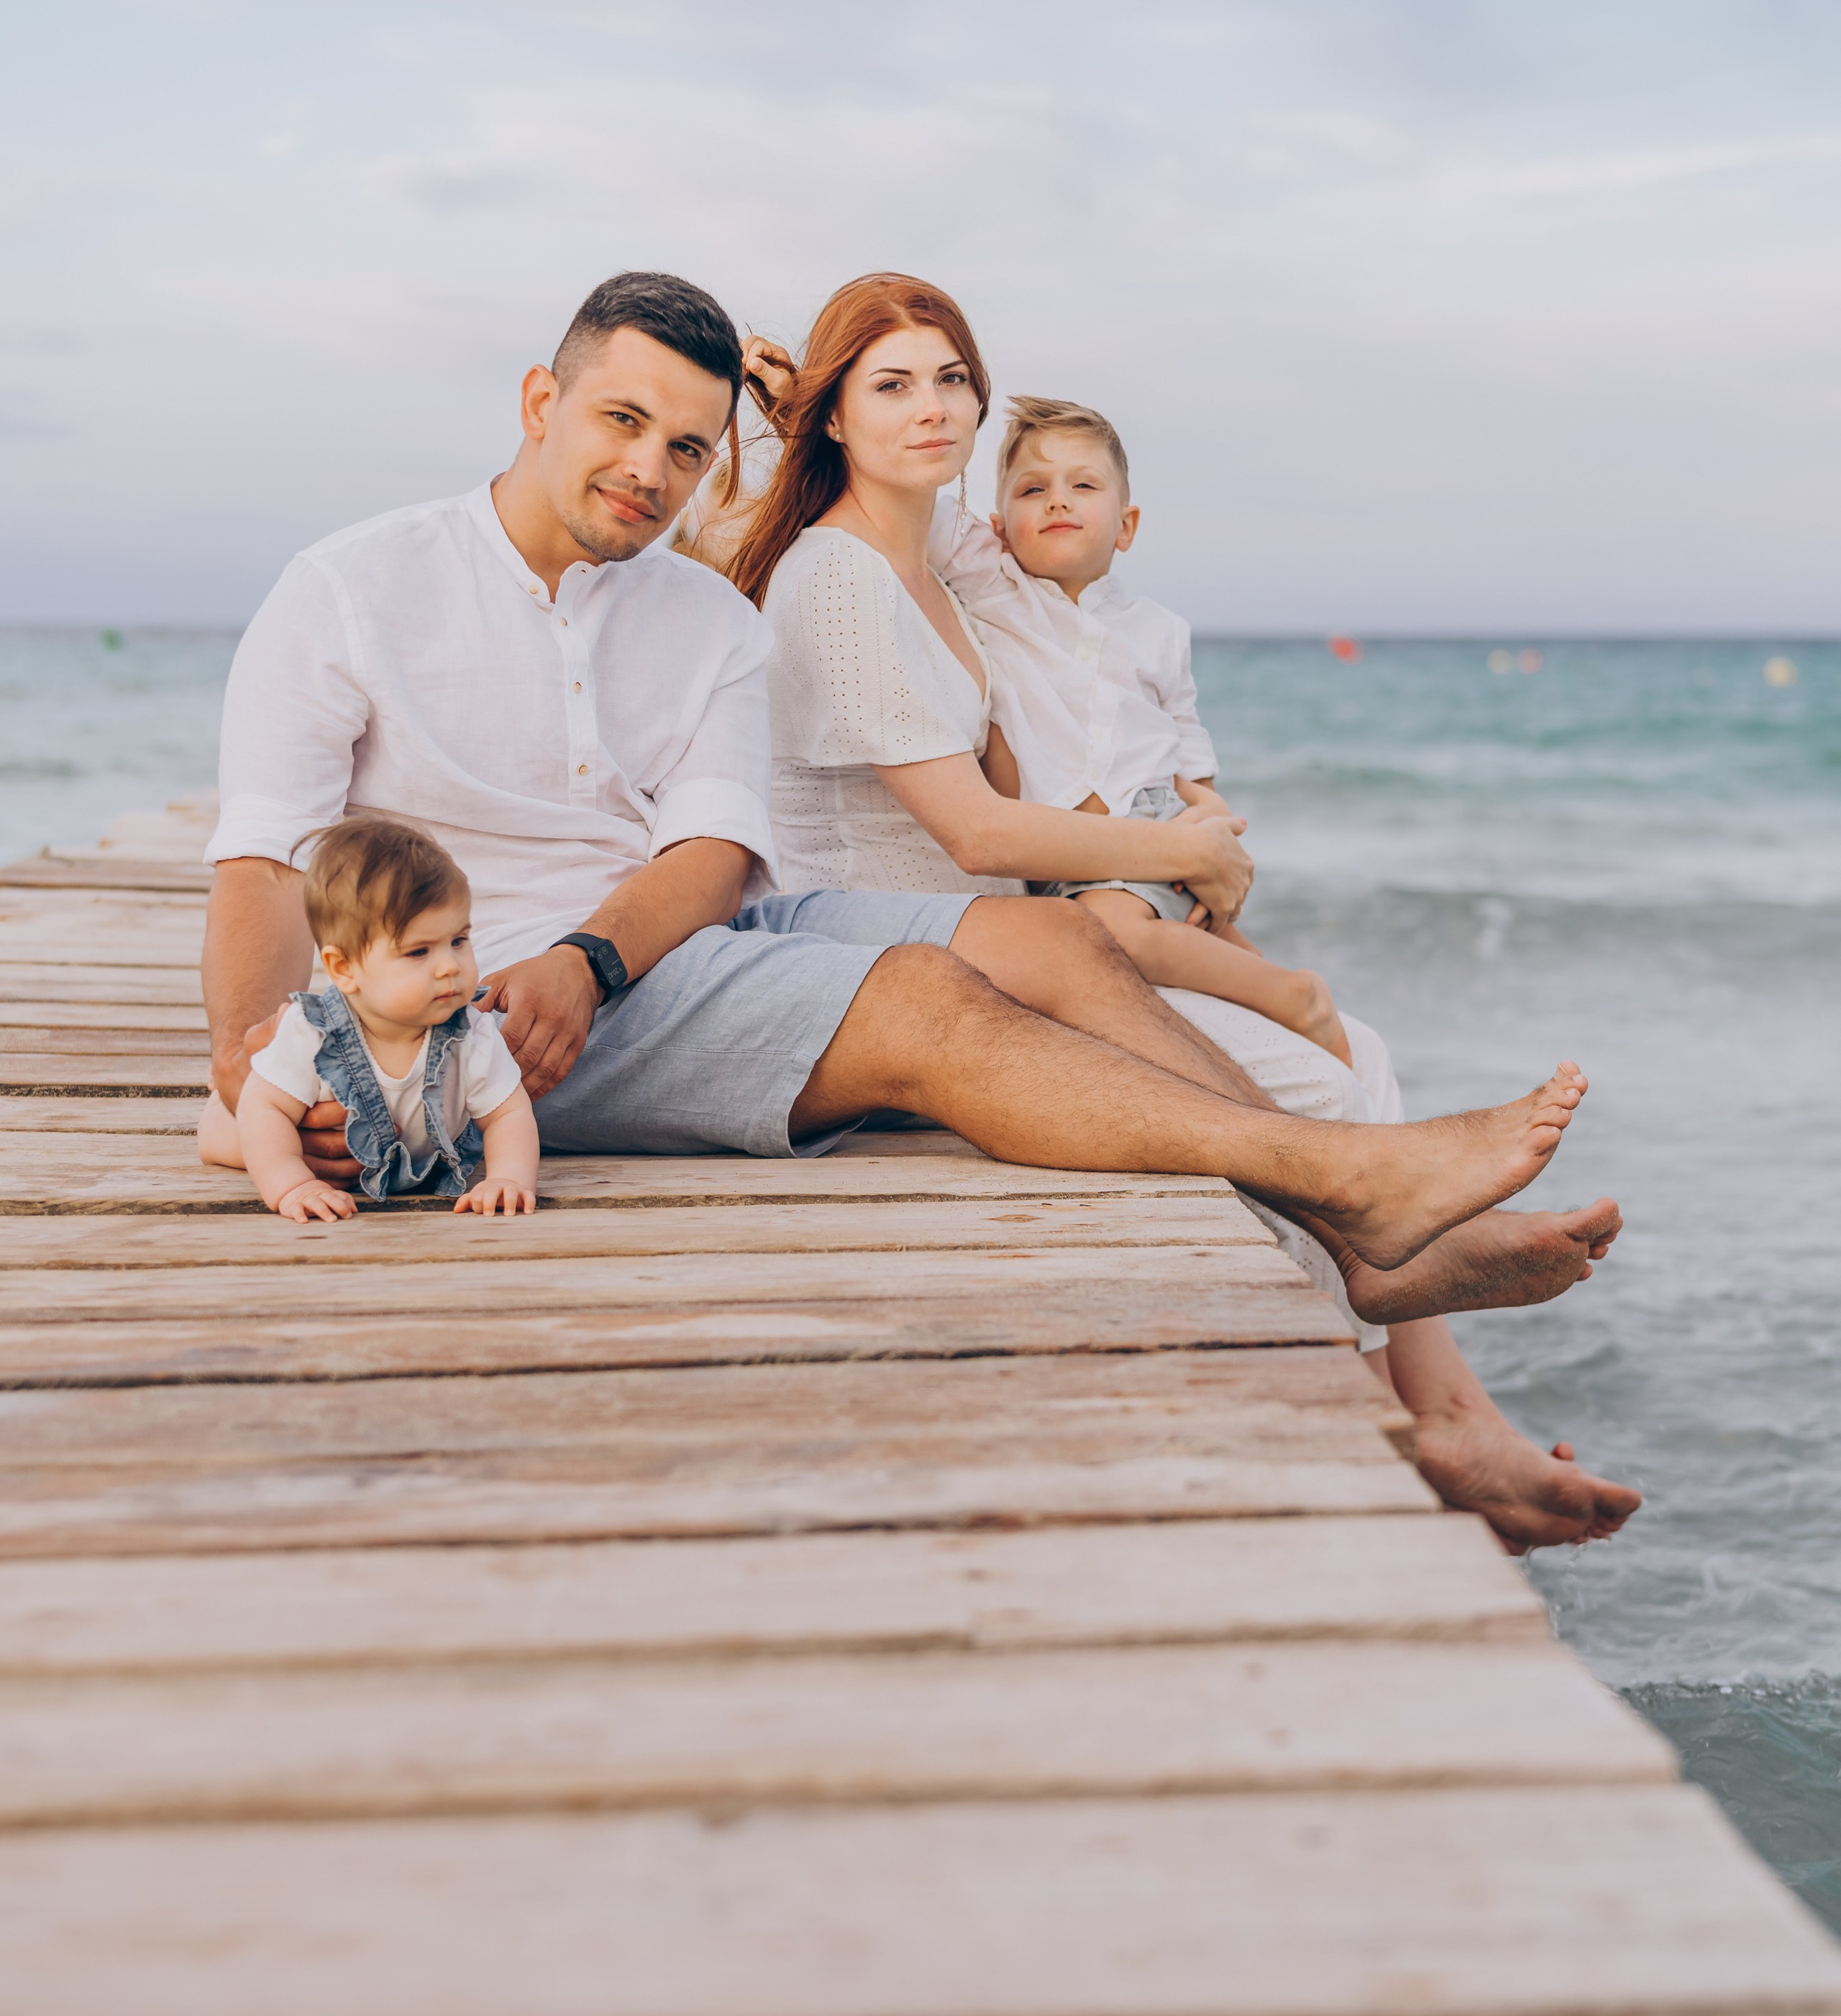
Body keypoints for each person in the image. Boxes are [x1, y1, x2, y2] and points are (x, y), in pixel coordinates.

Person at [201, 266, 1635, 1549]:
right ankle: (1345, 1194)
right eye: (620, 423)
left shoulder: (701, 615)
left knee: (1049, 937)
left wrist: (594, 954)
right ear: (539, 400)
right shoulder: (354, 587)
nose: (652, 469)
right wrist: (278, 1069)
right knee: (927, 1002)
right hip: (472, 1011)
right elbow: (261, 863)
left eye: (689, 446)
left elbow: (710, 855)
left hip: (645, 951)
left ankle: (1350, 1216)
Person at [718, 270, 1639, 1547]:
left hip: (1017, 944)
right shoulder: (836, 579)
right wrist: (1179, 847)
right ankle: (1410, 1414)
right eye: (891, 386)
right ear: (837, 417)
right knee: (1330, 1079)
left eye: (949, 379)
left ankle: (1439, 1412)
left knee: (1349, 1051)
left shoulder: (929, 552)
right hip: (880, 962)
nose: (932, 408)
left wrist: (1174, 842)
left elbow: (1032, 598)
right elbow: (974, 832)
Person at [933, 392, 1357, 1070]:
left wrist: (1210, 815)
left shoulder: (1160, 630)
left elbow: (1185, 740)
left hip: (1151, 824)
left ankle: (1299, 1000)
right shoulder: (993, 589)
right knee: (1197, 945)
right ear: (999, 526)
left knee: (1114, 935)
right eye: (1033, 489)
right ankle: (1311, 1031)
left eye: (1083, 486)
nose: (1057, 501)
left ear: (1126, 526)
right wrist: (795, 413)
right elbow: (912, 508)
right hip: (1067, 850)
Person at [201, 813, 539, 1222]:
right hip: (308, 1138)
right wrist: (293, 1184)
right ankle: (223, 1105)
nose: (449, 966)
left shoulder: (471, 1033)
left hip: (415, 1166)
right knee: (244, 1133)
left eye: (458, 940)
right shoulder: (313, 1033)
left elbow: (508, 1112)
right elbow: (265, 1110)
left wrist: (509, 1177)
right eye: (419, 952)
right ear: (344, 969)